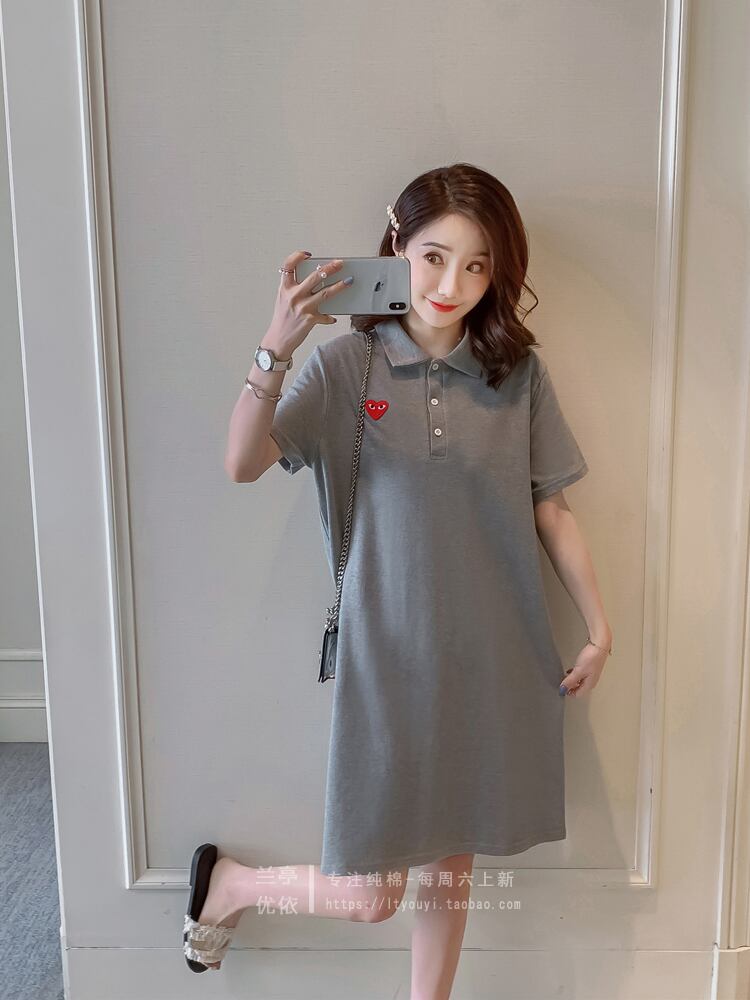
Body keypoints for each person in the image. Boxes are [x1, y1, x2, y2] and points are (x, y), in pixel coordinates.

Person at [184, 162, 613, 998]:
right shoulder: (347, 368)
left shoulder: (515, 373)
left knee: (450, 872)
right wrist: (277, 344)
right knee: (374, 897)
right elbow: (242, 461)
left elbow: (552, 511)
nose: (451, 286)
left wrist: (600, 629)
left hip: (490, 657)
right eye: (433, 257)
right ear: (396, 247)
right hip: (385, 661)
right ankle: (232, 885)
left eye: (477, 265)